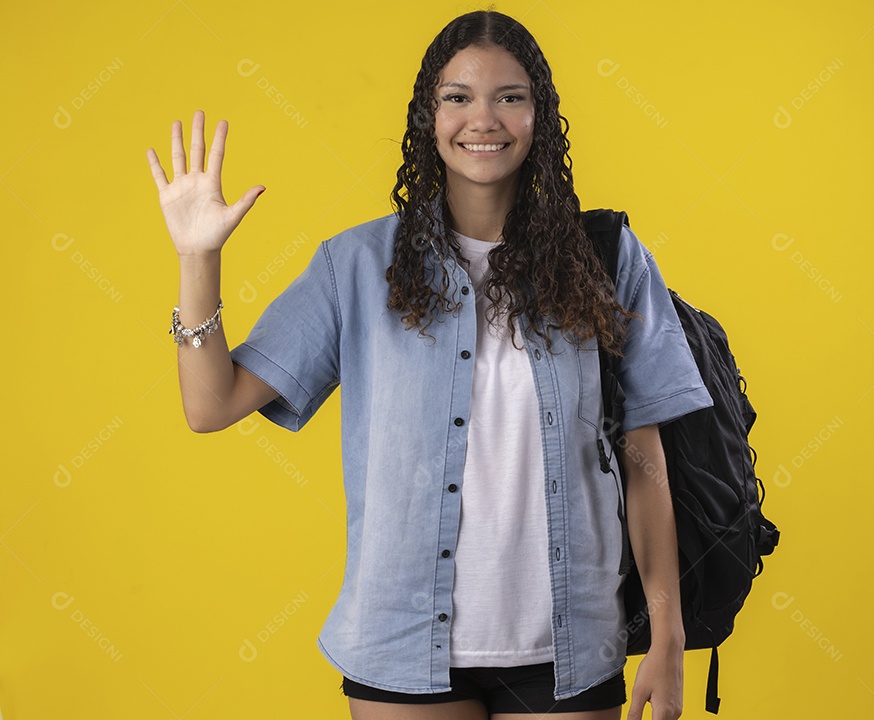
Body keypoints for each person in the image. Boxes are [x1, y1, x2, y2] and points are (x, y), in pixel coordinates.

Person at [147, 10, 711, 720]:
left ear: (540, 115)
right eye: (458, 97)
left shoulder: (607, 260)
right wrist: (198, 260)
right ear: (428, 116)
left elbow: (643, 455)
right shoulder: (355, 266)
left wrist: (668, 634)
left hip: (568, 651)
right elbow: (211, 404)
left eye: (510, 96)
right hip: (400, 647)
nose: (484, 119)